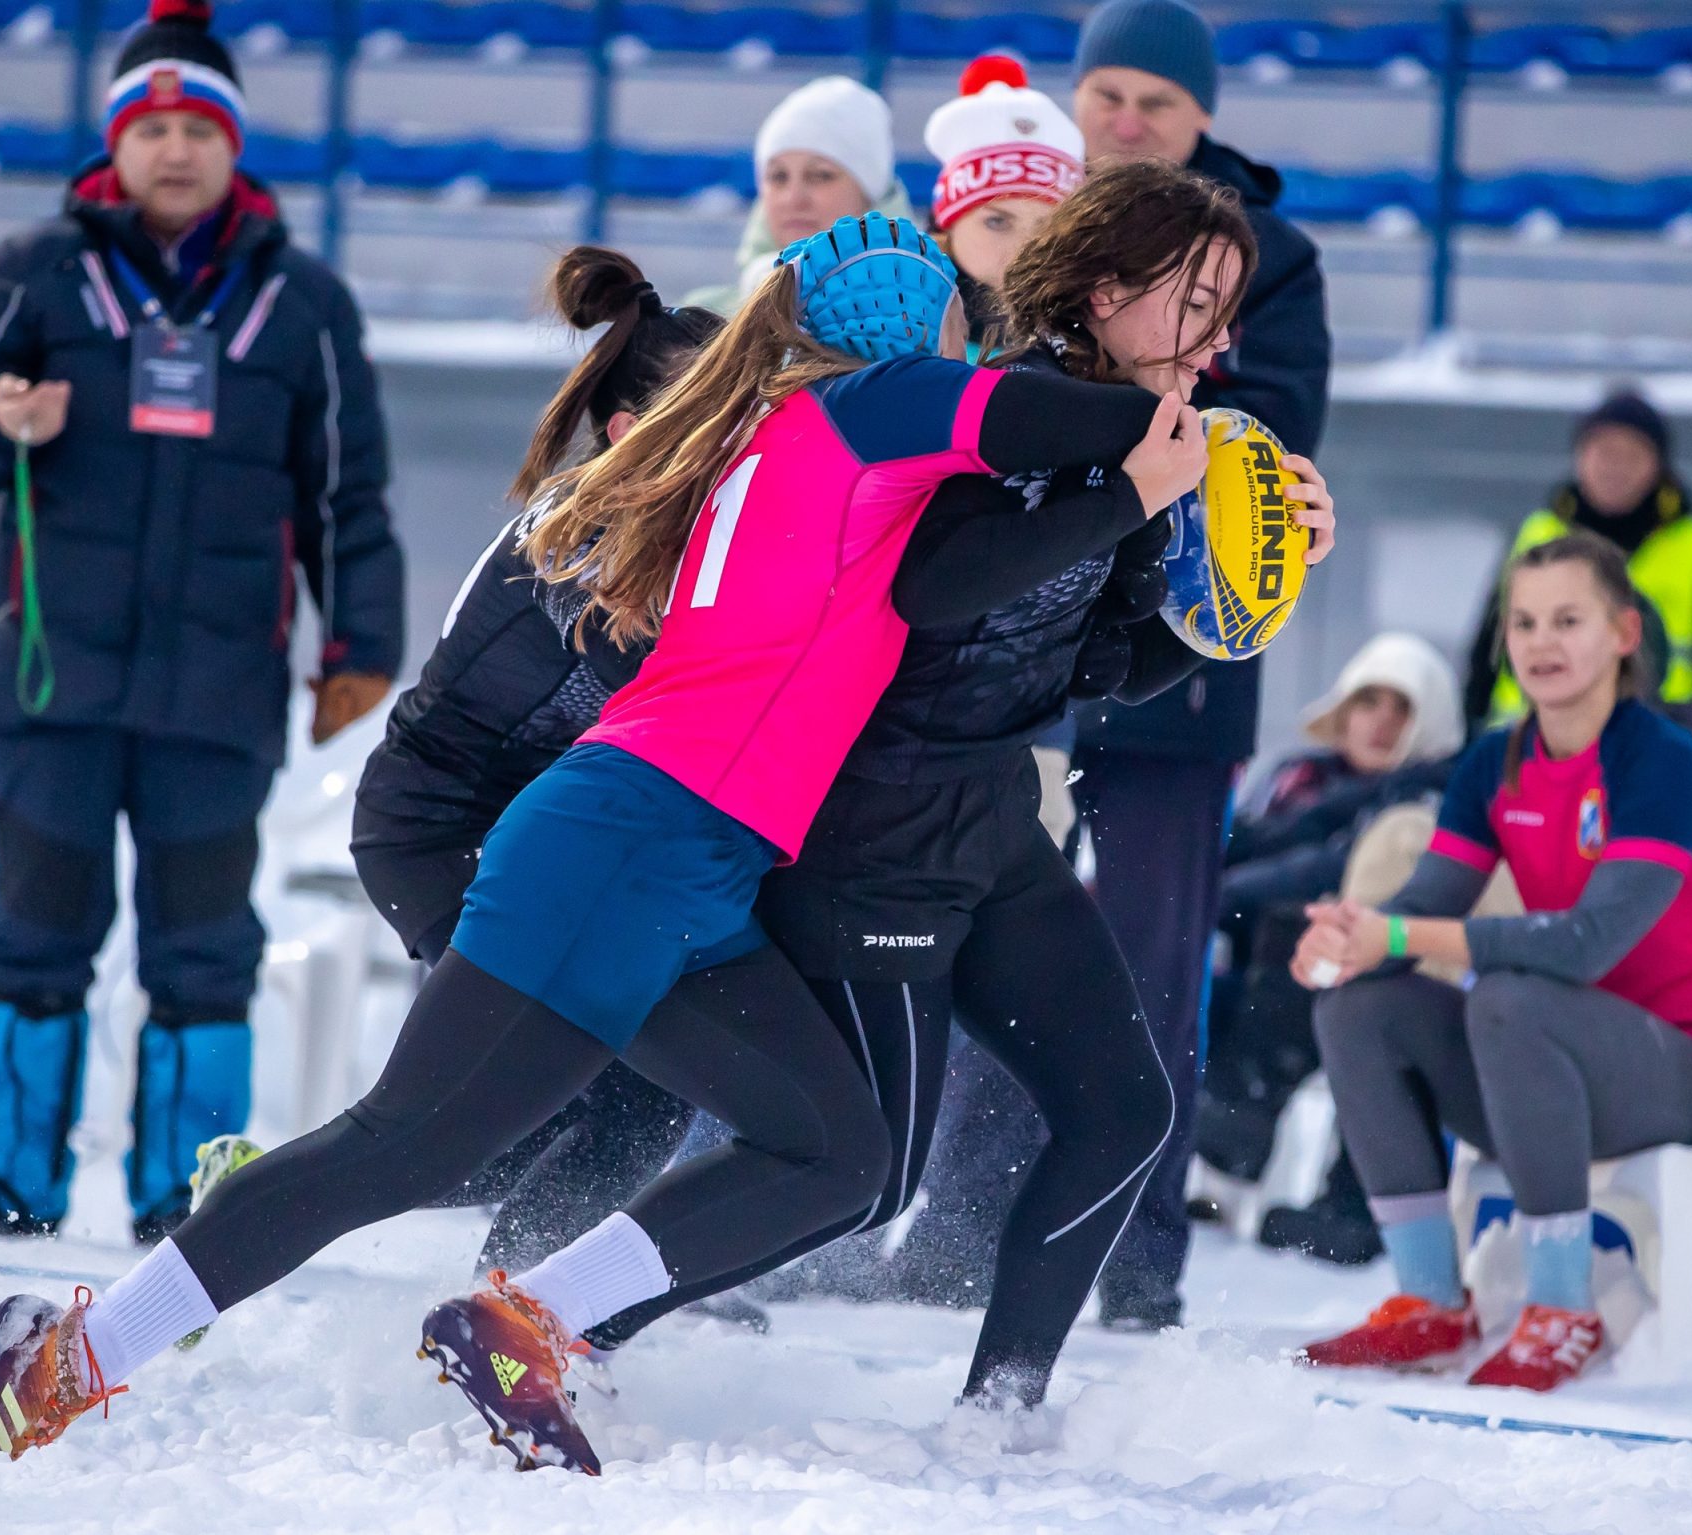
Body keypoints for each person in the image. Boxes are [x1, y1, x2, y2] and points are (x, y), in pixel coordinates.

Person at [0, 213, 1187, 1473]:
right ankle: (61, 1356)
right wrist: (1169, 441)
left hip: (689, 868)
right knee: (399, 1146)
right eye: (955, 325)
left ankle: (518, 1321)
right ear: (899, 323)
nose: (972, 346)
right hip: (621, 843)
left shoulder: (823, 439)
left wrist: (1159, 545)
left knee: (832, 1148)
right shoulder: (860, 403)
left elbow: (1011, 544)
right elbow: (1046, 419)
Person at [587, 160, 1335, 1410]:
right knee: (856, 1169)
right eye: (1194, 298)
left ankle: (1002, 1415)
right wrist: (1132, 489)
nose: (1218, 336)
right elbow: (931, 589)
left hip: (987, 815)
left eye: (1229, 304)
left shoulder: (1140, 442)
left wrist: (1239, 601)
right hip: (862, 820)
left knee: (1120, 1110)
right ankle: (553, 1315)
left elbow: (1094, 664)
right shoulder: (991, 402)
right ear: (1103, 292)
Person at [0, 0, 403, 1246]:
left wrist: (359, 647)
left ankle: (187, 1194)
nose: (175, 149)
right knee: (32, 935)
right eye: (152, 127)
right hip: (49, 681)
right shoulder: (33, 273)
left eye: (198, 127)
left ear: (232, 144)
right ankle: (3, 1176)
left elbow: (346, 492)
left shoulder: (308, 305)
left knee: (204, 952)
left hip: (219, 692)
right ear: (115, 145)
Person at [1293, 531, 1692, 1392]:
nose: (1541, 641)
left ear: (1622, 633)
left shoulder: (1666, 762)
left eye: (1568, 619)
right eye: (1526, 621)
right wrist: (1349, 935)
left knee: (1510, 993)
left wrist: (1398, 938)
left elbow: (1586, 944)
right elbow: (1422, 908)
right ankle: (1430, 1301)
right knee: (1357, 1003)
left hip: (1684, 1072)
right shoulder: (1494, 760)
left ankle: (1560, 1305)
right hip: (1539, 1067)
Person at [346, 248, 721, 1274]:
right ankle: (498, 1305)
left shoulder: (694, 528)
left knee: (633, 1095)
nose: (748, 451)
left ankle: (512, 1304)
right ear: (628, 434)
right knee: (527, 1098)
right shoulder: (577, 530)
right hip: (433, 832)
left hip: (541, 835)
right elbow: (652, 667)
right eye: (725, 427)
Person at [1064, 0, 1332, 1329]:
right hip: (1026, 662)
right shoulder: (1038, 236)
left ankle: (1136, 1259)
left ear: (1201, 117)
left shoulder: (1274, 260)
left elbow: (1268, 437)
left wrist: (1127, 398)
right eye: (1106, 92)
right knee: (980, 935)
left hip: (1184, 672)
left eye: (1153, 102)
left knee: (1151, 970)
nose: (1126, 120)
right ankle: (957, 1225)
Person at [1196, 634, 1463, 1200]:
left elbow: (1325, 868)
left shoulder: (1431, 798)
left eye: (1403, 708)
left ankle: (1335, 1194)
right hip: (1252, 962)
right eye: (1369, 702)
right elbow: (1234, 844)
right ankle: (1213, 1165)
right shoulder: (1296, 780)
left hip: (1354, 969)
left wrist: (1211, 899)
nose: (1382, 723)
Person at [1463, 389, 1692, 797]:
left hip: (1658, 768)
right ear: (1579, 457)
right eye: (1602, 451)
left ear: (1660, 466)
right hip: (1527, 759)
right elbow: (1484, 659)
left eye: (1631, 454)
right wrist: (1471, 744)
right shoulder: (1534, 538)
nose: (1614, 467)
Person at [684, 75, 912, 313]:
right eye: (778, 176)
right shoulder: (705, 319)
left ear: (871, 195)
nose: (793, 199)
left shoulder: (922, 320)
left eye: (821, 176)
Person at [923, 54, 1085, 354]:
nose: (1022, 248)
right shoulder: (898, 342)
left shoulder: (1095, 348)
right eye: (997, 222)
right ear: (947, 227)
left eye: (1044, 229)